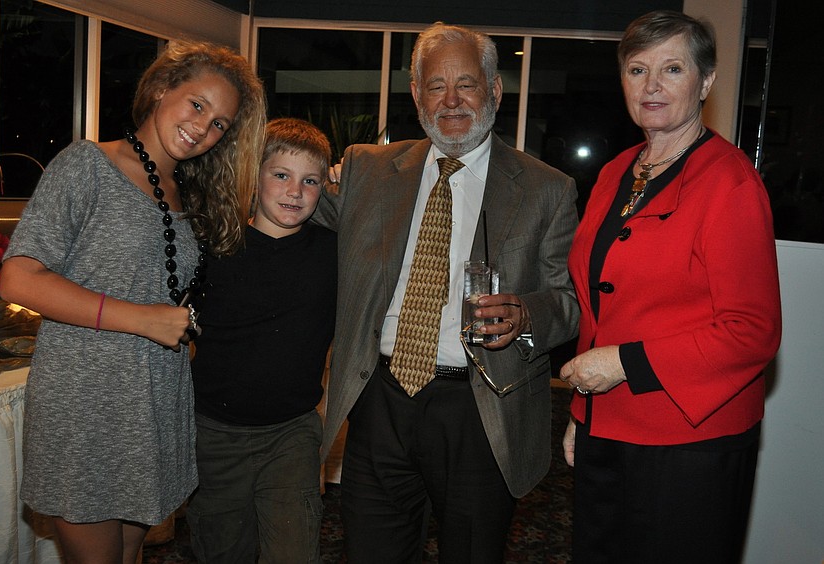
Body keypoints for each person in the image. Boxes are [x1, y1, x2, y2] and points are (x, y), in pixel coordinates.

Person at [313, 22, 579, 563]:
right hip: (379, 398)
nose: (451, 101)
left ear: (494, 90)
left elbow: (569, 302)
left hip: (481, 407)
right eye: (436, 86)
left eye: (466, 84)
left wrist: (527, 313)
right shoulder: (365, 170)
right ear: (416, 94)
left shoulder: (546, 189)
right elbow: (287, 207)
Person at [0, 40, 266, 564]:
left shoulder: (185, 190)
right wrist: (143, 320)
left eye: (219, 123)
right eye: (197, 104)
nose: (203, 128)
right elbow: (18, 279)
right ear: (162, 88)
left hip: (152, 401)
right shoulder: (87, 165)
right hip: (86, 402)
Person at [558, 10, 782, 563]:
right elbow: (602, 302)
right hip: (606, 426)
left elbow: (752, 331)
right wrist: (583, 411)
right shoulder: (616, 171)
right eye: (638, 70)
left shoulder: (730, 182)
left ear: (706, 82)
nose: (652, 85)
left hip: (690, 444)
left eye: (672, 69)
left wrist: (623, 364)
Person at [186, 117, 336, 563]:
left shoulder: (334, 252)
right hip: (214, 434)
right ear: (254, 176)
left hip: (292, 434)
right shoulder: (214, 247)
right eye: (281, 175)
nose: (295, 191)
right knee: (221, 549)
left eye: (310, 181)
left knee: (294, 549)